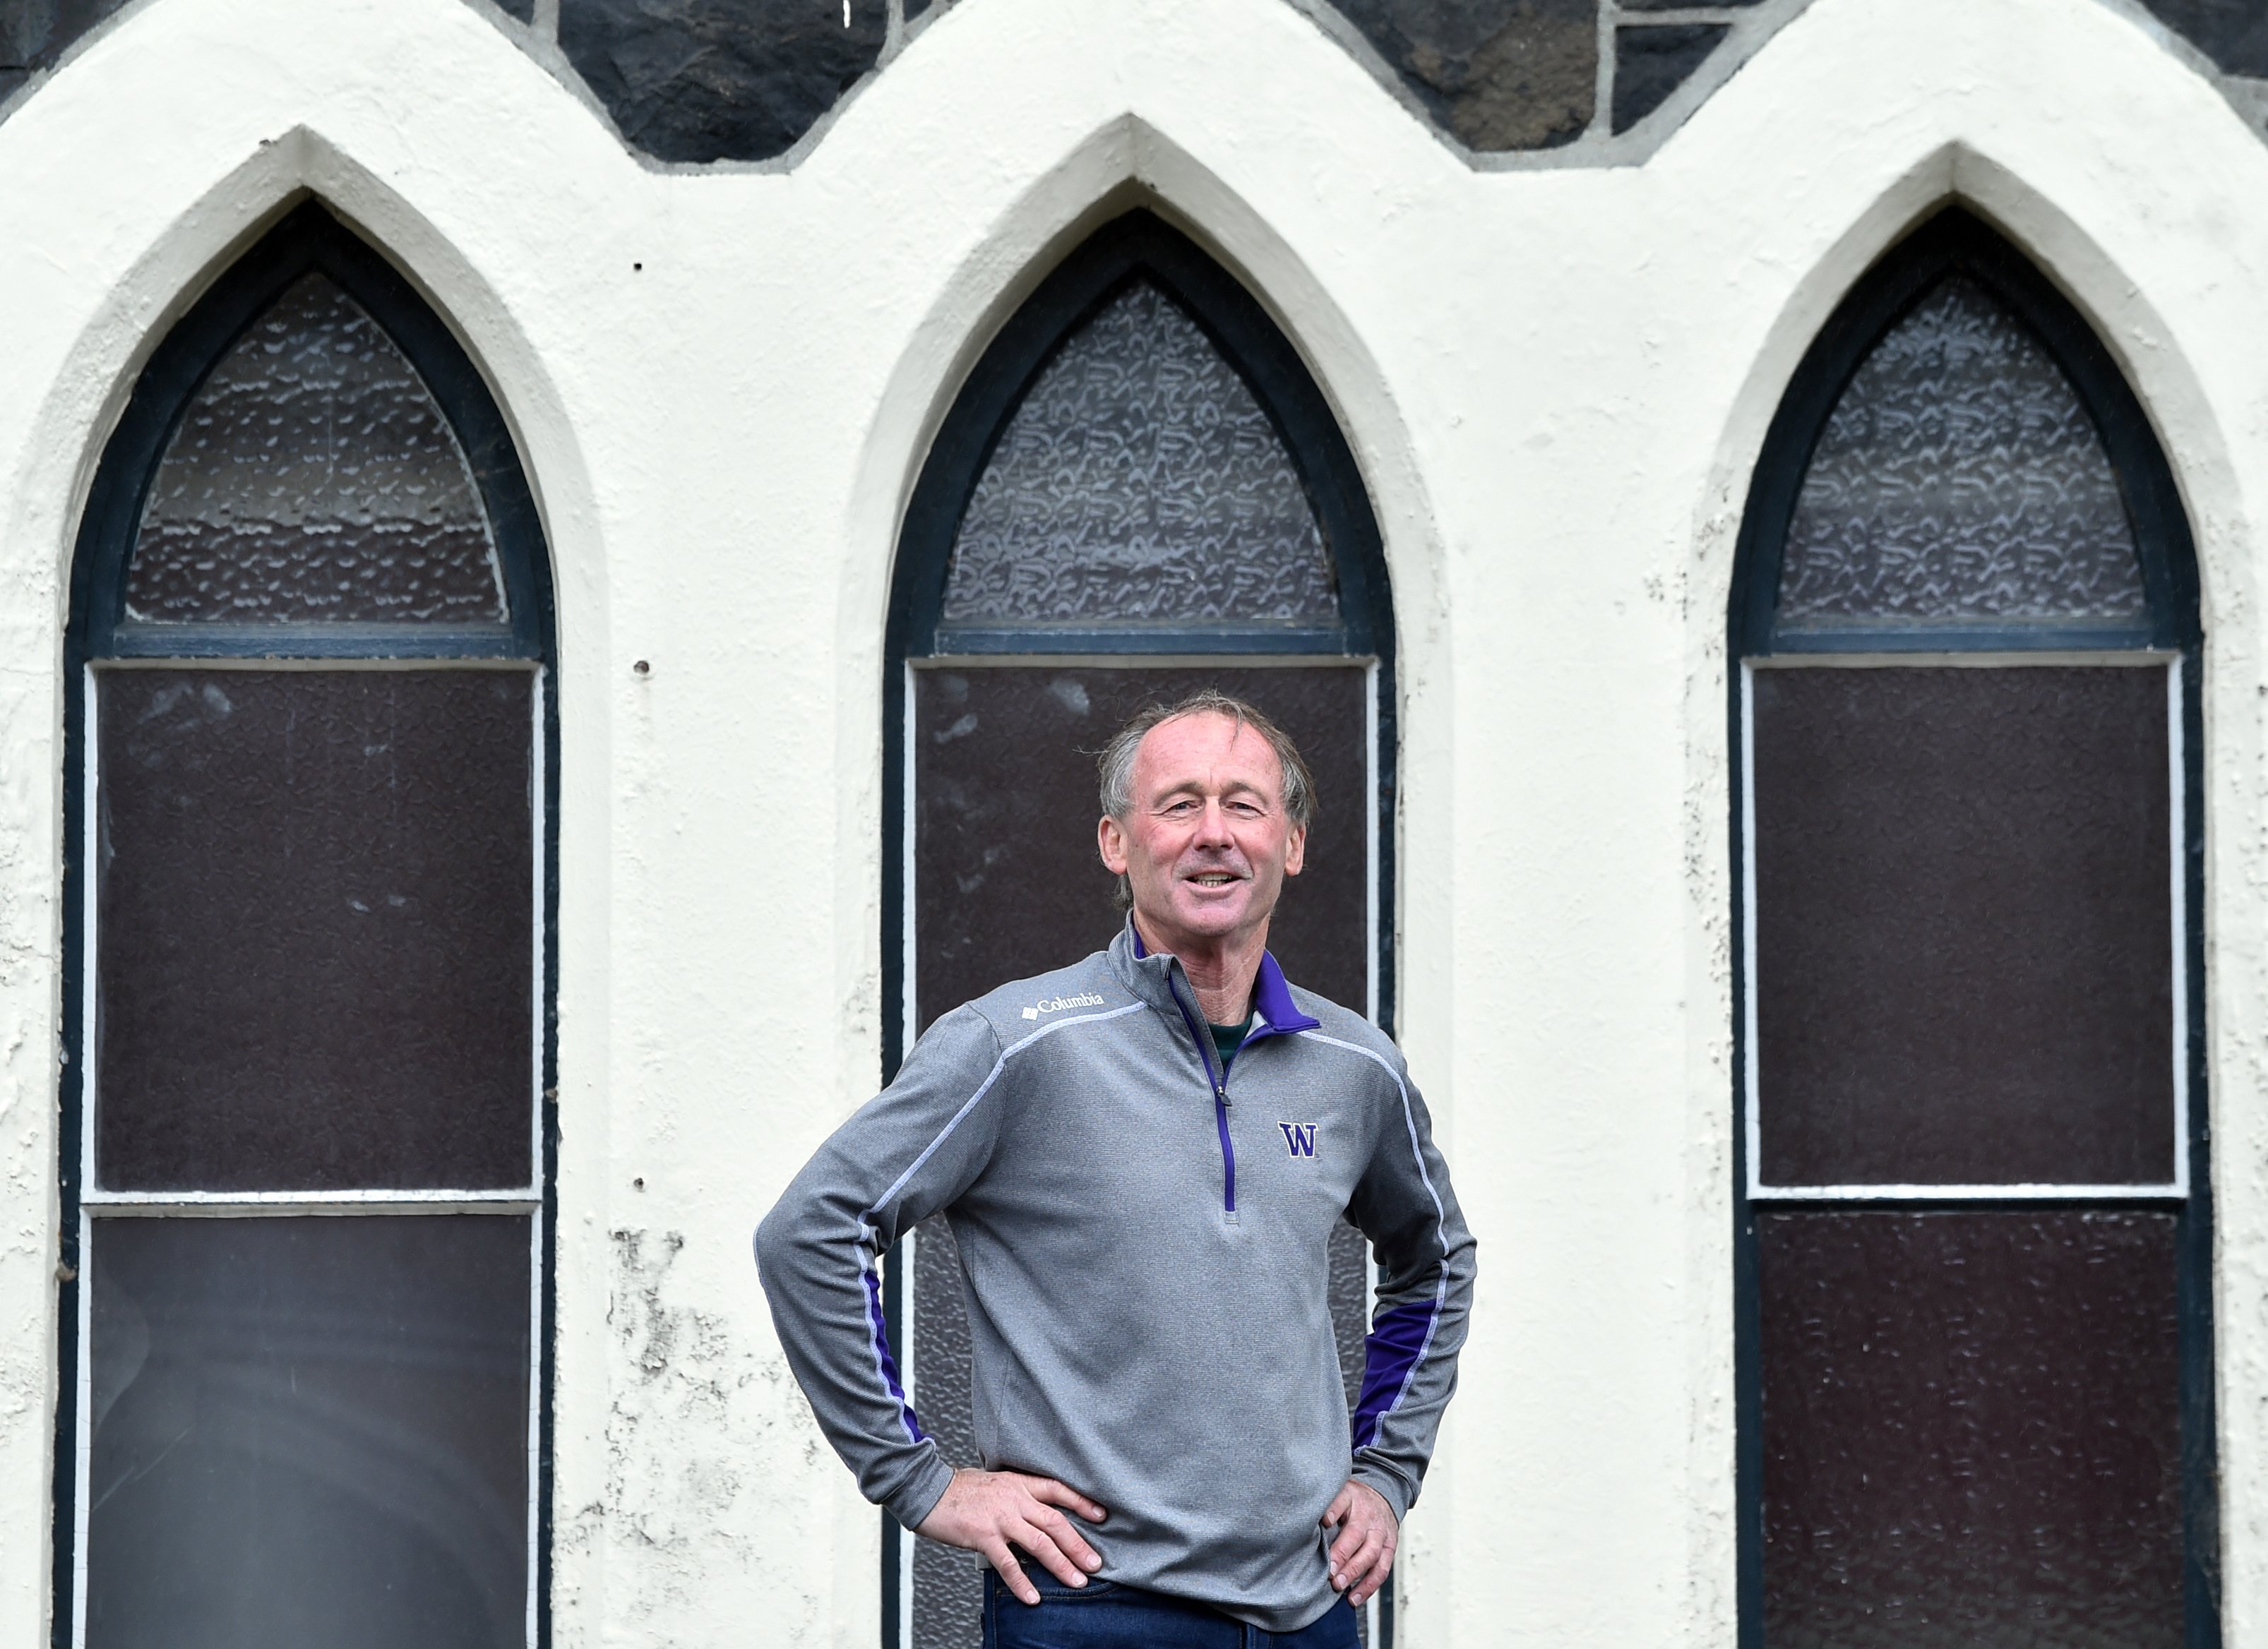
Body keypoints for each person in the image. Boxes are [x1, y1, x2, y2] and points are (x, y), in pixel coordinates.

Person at [755, 691, 1476, 1648]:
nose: (1213, 834)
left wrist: (1387, 1472)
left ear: (1291, 845)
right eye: (1178, 805)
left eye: (1245, 805)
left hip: (1308, 1612)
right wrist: (920, 1481)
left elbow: (1437, 1261)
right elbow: (812, 1231)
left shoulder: (1356, 1069)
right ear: (1115, 842)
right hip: (1093, 1608)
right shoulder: (1014, 1047)